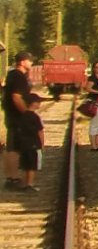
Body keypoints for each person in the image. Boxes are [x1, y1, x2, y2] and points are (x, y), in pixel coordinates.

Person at [2, 52, 38, 188]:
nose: (32, 63)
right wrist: (26, 114)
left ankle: (11, 177)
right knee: (14, 148)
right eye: (30, 61)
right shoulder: (18, 77)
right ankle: (13, 178)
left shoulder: (12, 75)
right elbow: (16, 97)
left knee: (12, 146)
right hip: (17, 116)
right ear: (22, 62)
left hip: (12, 115)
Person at [17, 95, 44, 192]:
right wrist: (42, 144)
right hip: (34, 144)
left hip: (24, 144)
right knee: (32, 165)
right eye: (38, 102)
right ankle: (30, 184)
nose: (39, 104)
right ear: (34, 103)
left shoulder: (23, 116)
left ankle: (24, 184)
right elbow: (40, 131)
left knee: (25, 165)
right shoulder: (35, 117)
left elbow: (19, 130)